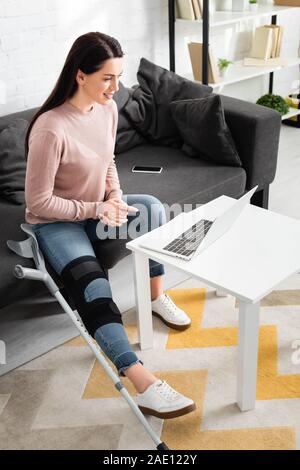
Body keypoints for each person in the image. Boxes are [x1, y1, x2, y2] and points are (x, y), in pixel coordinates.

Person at [24, 32, 195, 419]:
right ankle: (143, 383)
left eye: (118, 77)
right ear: (80, 75)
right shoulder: (51, 128)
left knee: (151, 208)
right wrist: (96, 209)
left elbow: (108, 161)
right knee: (94, 286)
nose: (116, 88)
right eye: (107, 78)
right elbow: (38, 203)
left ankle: (154, 296)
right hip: (56, 223)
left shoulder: (107, 109)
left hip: (96, 209)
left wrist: (115, 198)